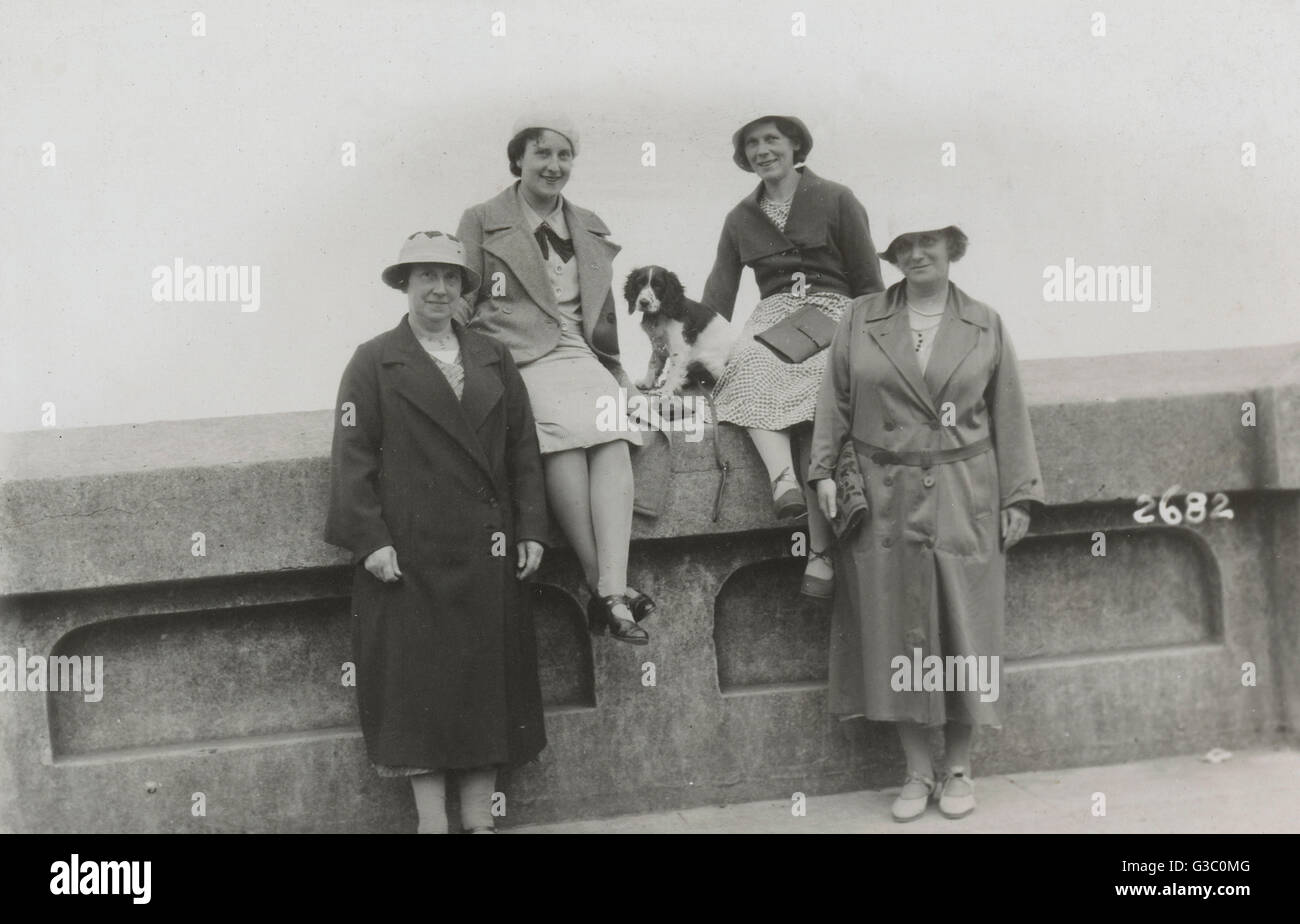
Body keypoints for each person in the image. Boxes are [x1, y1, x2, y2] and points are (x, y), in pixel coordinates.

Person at [808, 214, 1045, 822]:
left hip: (966, 492)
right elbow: (833, 402)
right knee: (893, 628)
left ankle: (960, 767)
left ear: (952, 248)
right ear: (891, 254)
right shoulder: (860, 317)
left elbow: (1009, 411)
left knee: (966, 629)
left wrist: (1018, 495)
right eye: (905, 245)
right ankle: (916, 771)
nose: (917, 254)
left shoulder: (984, 321)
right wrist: (826, 473)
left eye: (929, 242)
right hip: (883, 498)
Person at [325, 231, 549, 833]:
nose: (439, 288)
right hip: (409, 555)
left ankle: (479, 821)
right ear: (404, 285)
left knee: (486, 681)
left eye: (450, 278)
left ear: (462, 290)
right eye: (425, 276)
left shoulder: (491, 356)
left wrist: (531, 528)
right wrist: (370, 540)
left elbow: (521, 447)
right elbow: (352, 457)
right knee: (418, 685)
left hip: (488, 548)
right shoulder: (374, 360)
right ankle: (432, 824)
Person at [456, 115, 655, 645]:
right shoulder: (481, 219)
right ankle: (611, 591)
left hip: (579, 353)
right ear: (517, 159)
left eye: (564, 156)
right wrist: (448, 361)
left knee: (612, 434)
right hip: (516, 354)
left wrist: (621, 376)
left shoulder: (587, 223)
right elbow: (461, 296)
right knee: (564, 443)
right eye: (542, 154)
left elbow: (603, 316)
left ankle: (607, 589)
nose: (553, 166)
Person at [701, 114, 884, 598]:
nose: (763, 151)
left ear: (795, 145)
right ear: (745, 157)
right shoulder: (740, 217)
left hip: (832, 308)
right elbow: (717, 298)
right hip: (773, 315)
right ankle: (783, 482)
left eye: (772, 140)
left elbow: (868, 282)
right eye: (753, 144)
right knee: (746, 366)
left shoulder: (837, 197)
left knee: (818, 388)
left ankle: (821, 554)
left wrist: (871, 337)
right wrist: (693, 352)